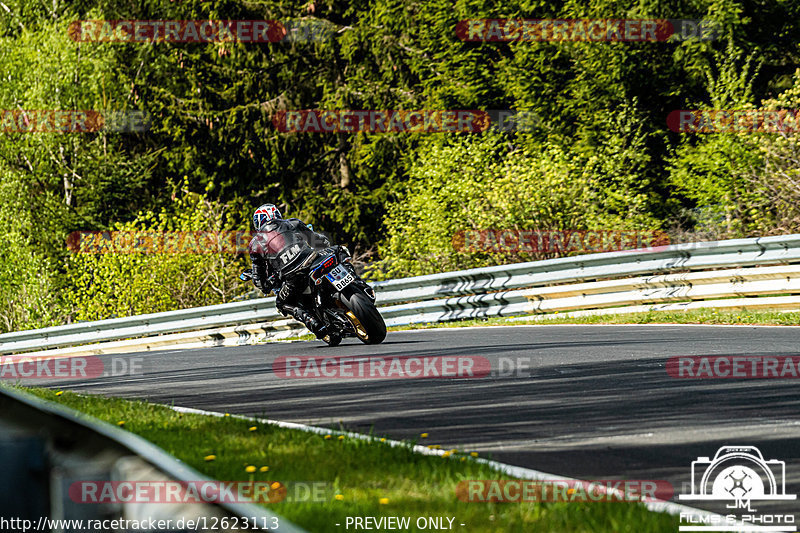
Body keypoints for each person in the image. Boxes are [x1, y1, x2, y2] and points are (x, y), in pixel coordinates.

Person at [248, 203, 332, 338]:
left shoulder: (256, 243)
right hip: (312, 259)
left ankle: (312, 321)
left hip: (292, 276)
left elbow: (259, 277)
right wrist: (325, 244)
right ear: (277, 214)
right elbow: (319, 241)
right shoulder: (292, 223)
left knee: (282, 303)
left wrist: (265, 286)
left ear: (258, 223)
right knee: (337, 254)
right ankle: (359, 285)